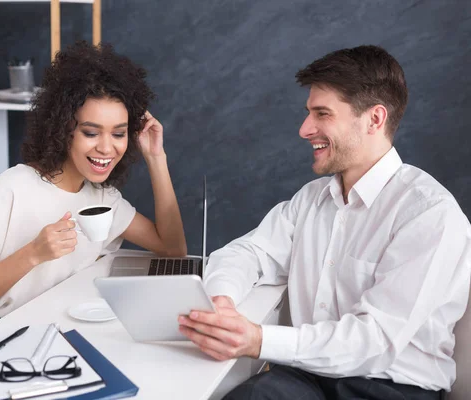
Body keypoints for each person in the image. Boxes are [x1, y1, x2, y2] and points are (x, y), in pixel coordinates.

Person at [178, 45, 471, 399]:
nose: (305, 129)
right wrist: (221, 301)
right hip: (307, 377)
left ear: (374, 119)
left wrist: (257, 339)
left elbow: (374, 341)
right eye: (308, 113)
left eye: (322, 114)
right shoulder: (311, 200)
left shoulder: (429, 214)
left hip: (390, 387)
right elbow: (247, 253)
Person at [0, 41, 187, 359]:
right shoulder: (12, 189)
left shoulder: (103, 198)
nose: (107, 148)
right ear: (64, 129)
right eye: (91, 133)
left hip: (42, 336)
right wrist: (34, 254)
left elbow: (174, 249)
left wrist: (156, 157)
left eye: (118, 133)